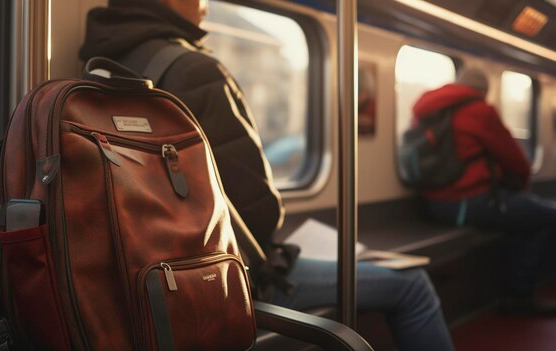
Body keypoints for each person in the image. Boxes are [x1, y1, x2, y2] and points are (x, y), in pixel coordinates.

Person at [79, 1, 454, 349]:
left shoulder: (100, 69)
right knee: (413, 287)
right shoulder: (194, 70)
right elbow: (259, 212)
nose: (205, 5)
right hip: (229, 279)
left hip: (150, 278)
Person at [412, 67, 556, 313]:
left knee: (522, 216)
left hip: (434, 204)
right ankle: (518, 295)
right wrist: (521, 190)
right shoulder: (480, 110)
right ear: (482, 91)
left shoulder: (427, 107)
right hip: (470, 202)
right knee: (548, 215)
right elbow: (515, 160)